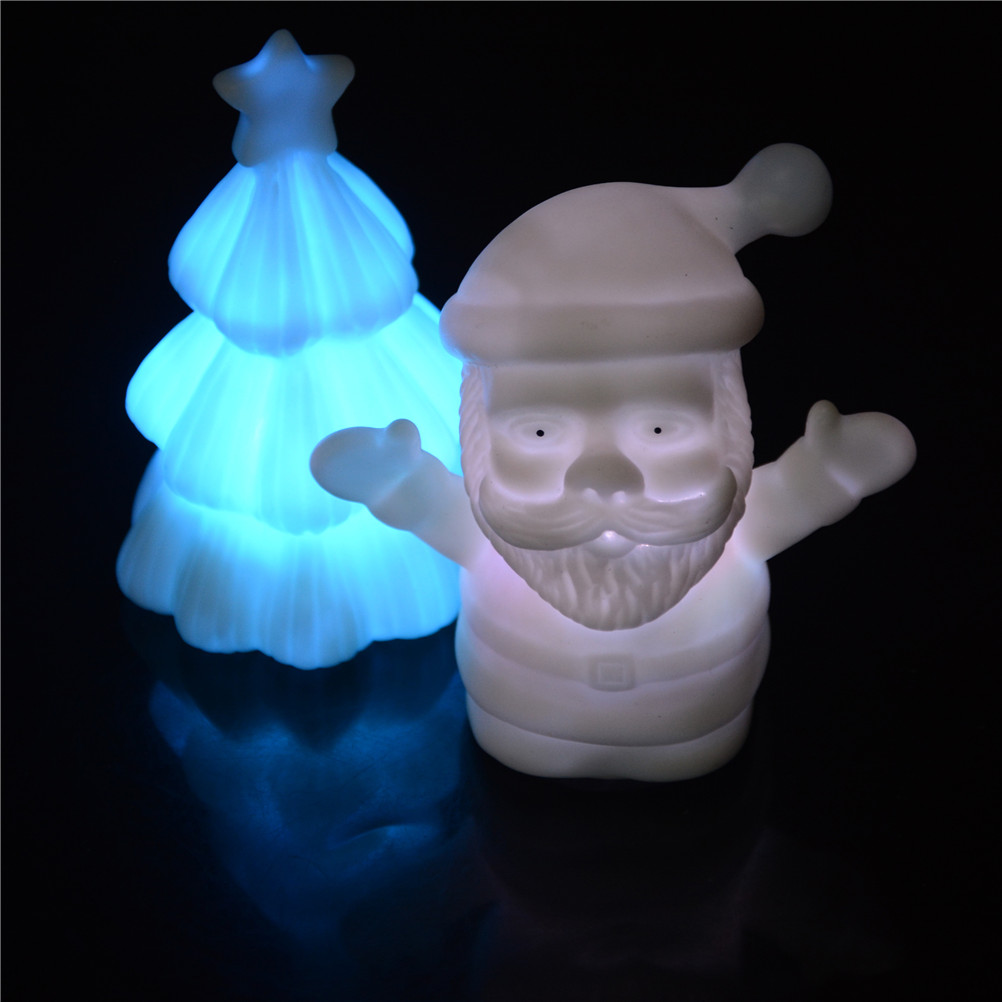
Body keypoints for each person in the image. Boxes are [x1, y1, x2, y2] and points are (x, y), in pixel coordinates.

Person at [311, 145, 916, 781]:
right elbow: (436, 508)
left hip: (697, 733)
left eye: (659, 428)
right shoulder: (495, 531)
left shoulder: (728, 523)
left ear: (730, 418)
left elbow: (791, 497)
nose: (604, 481)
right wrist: (401, 484)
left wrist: (828, 474)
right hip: (518, 728)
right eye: (539, 431)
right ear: (479, 430)